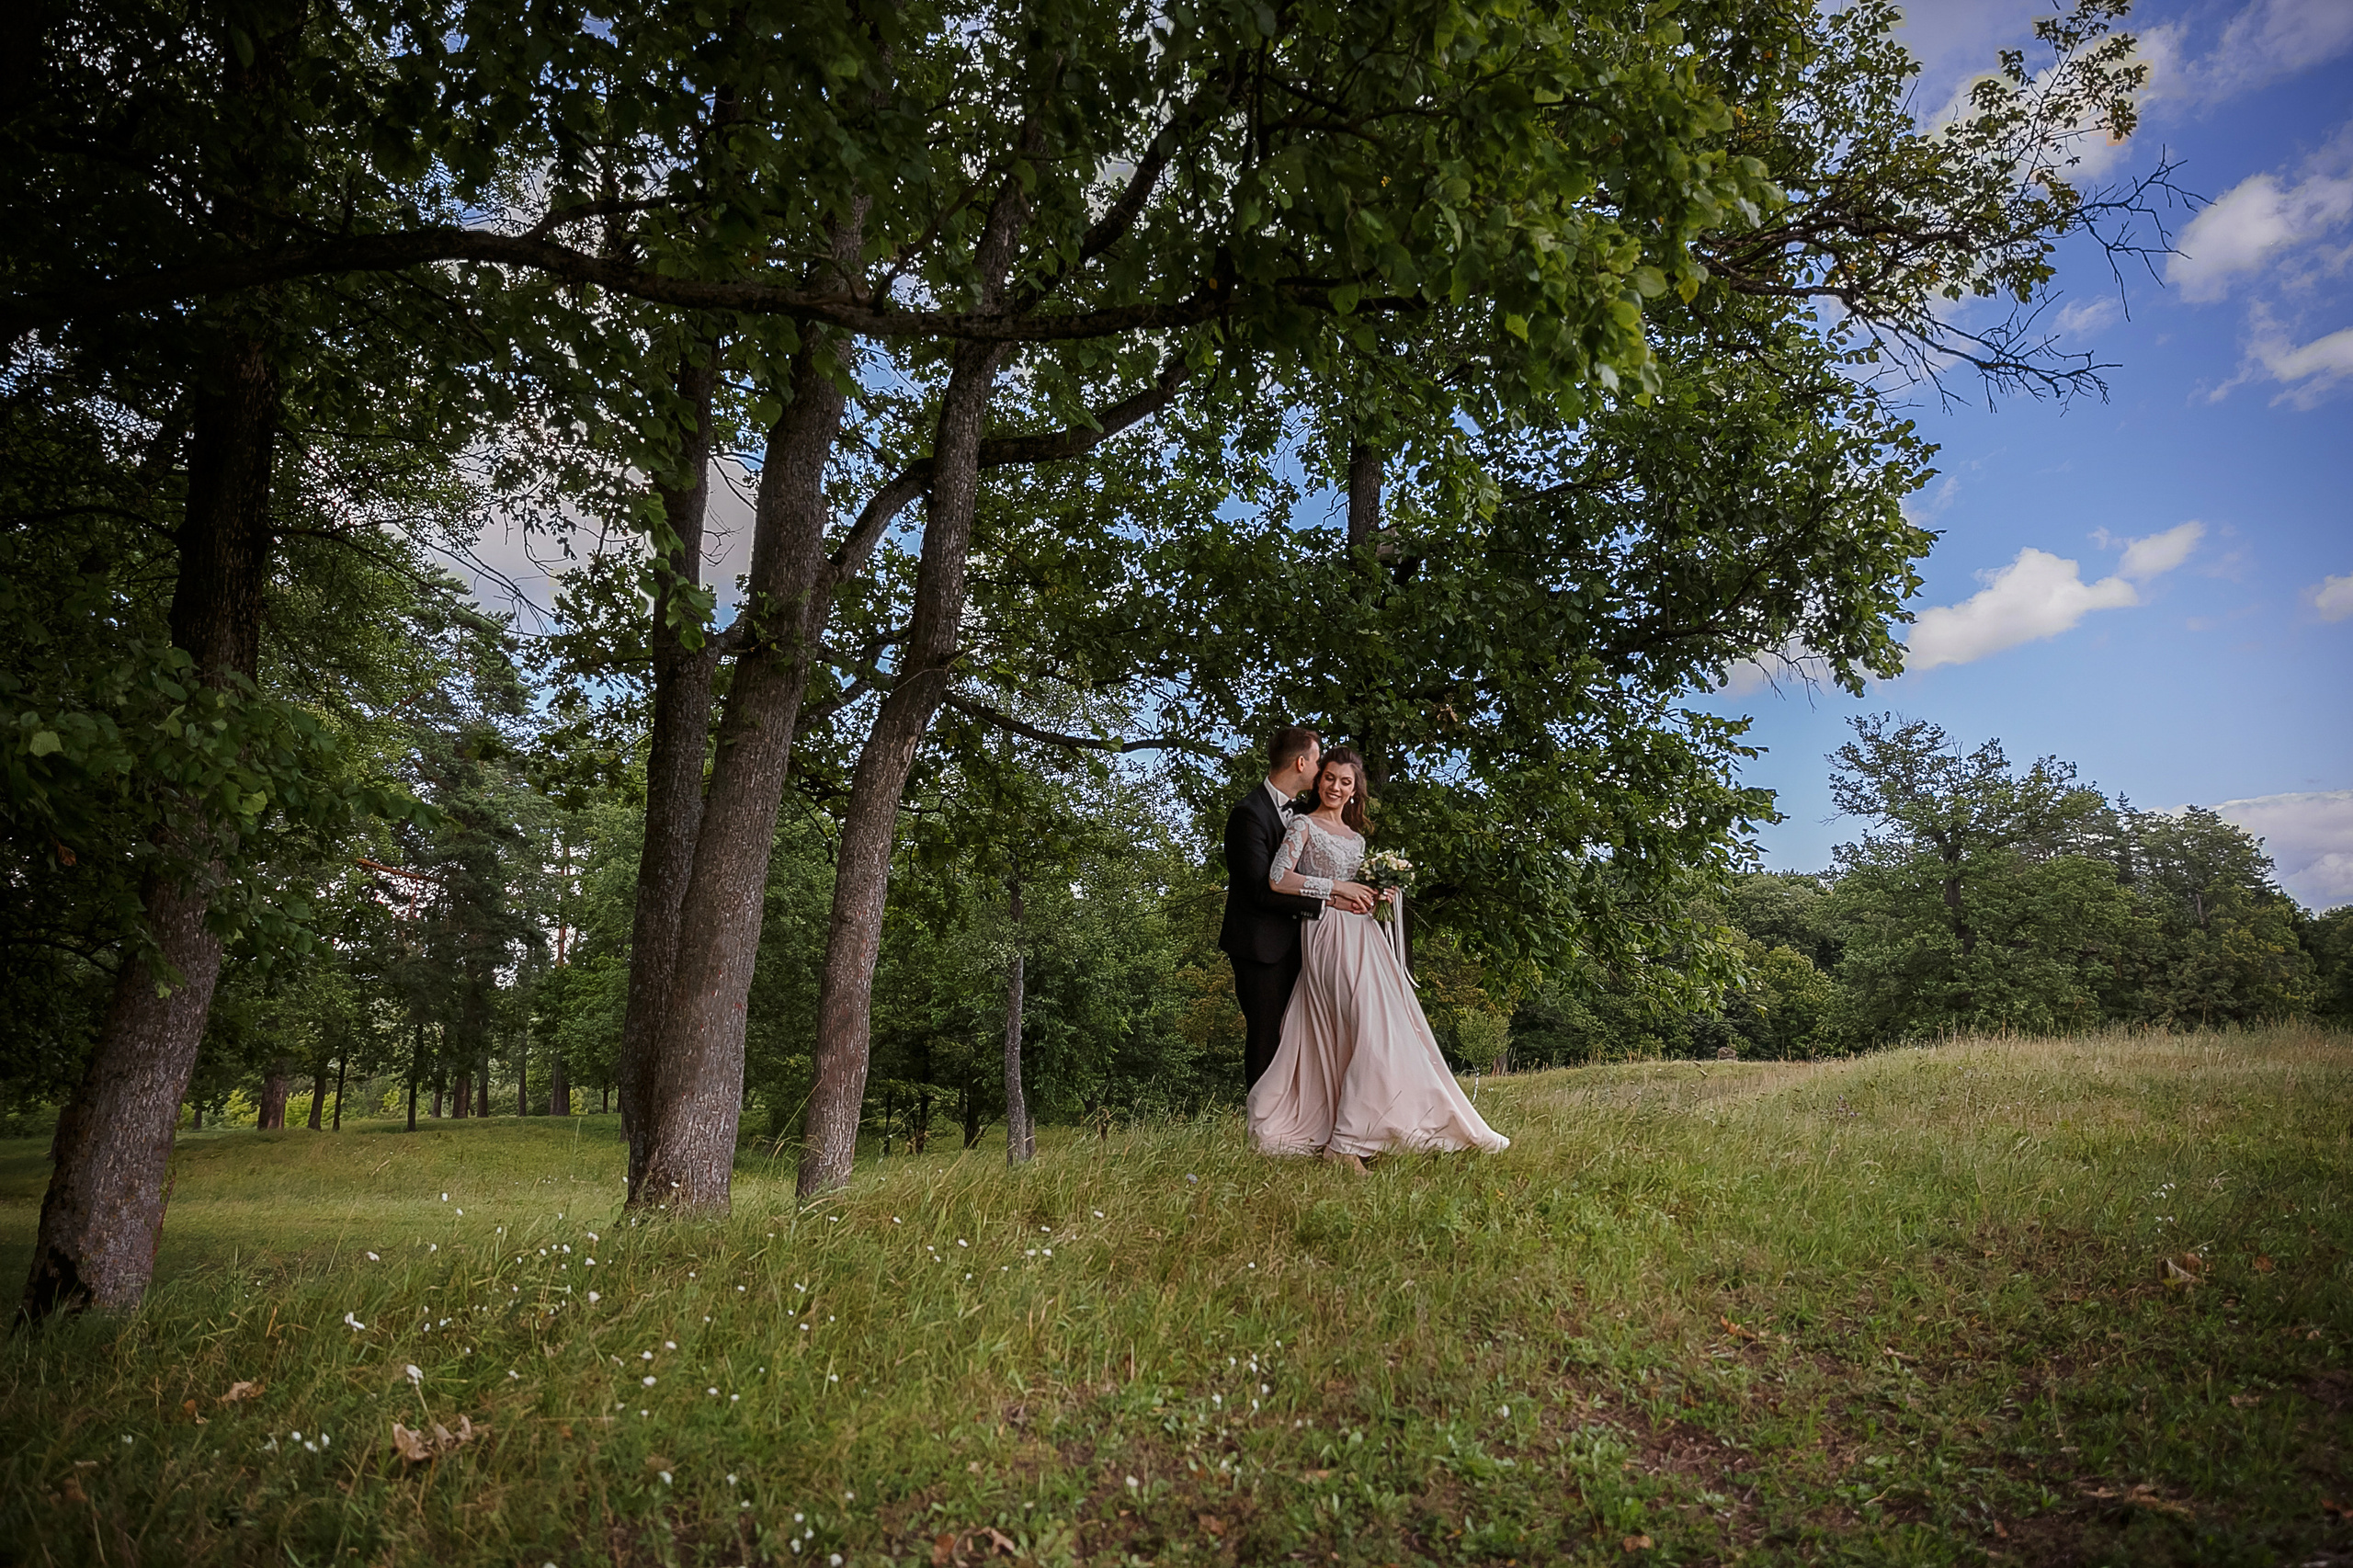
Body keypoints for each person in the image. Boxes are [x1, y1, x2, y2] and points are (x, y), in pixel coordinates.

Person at [1245, 744, 1508, 1167]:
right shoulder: (1302, 825)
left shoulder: (1357, 839)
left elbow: (1360, 893)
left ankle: (1371, 1128)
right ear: (1319, 780)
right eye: (1329, 777)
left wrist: (1380, 894)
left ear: (1355, 790)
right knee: (1361, 1022)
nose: (1335, 786)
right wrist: (1335, 889)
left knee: (1384, 1027)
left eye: (1344, 782)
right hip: (1326, 931)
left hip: (1364, 934)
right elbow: (1278, 879)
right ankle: (1344, 1145)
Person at [1218, 727, 1370, 1090]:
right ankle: (1262, 1122)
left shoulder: (1305, 812)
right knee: (1267, 1034)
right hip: (1261, 946)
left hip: (1307, 942)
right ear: (1302, 762)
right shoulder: (1248, 814)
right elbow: (1260, 892)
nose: (1322, 772)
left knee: (1303, 1034)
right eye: (1319, 762)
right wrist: (1330, 900)